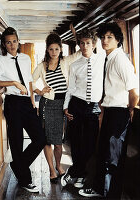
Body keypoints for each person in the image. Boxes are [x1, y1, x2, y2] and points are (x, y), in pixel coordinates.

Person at [78, 22, 139, 199]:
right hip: (110, 111)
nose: (105, 40)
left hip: (120, 112)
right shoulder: (109, 57)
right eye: (103, 37)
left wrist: (130, 109)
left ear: (118, 40)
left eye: (109, 37)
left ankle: (110, 195)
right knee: (104, 153)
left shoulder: (120, 60)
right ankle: (100, 189)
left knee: (113, 158)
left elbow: (134, 91)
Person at [0, 27, 46, 193]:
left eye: (14, 41)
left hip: (27, 103)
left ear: (18, 42)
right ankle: (25, 180)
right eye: (8, 42)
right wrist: (13, 83)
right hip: (13, 103)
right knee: (17, 142)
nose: (12, 45)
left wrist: (32, 103)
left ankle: (18, 164)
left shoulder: (25, 58)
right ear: (4, 44)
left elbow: (29, 81)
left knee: (40, 138)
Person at [32, 24, 82, 183]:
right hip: (48, 104)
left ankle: (59, 165)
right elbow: (30, 82)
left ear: (61, 50)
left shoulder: (66, 61)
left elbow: (81, 51)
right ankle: (52, 170)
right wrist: (39, 91)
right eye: (51, 49)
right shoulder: (42, 66)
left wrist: (75, 35)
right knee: (47, 139)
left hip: (64, 104)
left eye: (57, 49)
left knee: (59, 141)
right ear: (47, 50)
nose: (54, 52)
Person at [61, 28, 105, 188]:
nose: (85, 46)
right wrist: (66, 108)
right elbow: (70, 88)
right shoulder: (74, 65)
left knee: (90, 144)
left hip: (93, 107)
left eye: (88, 43)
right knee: (76, 142)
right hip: (76, 105)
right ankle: (80, 175)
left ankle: (74, 171)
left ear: (93, 44)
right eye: (82, 43)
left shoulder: (102, 60)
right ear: (79, 44)